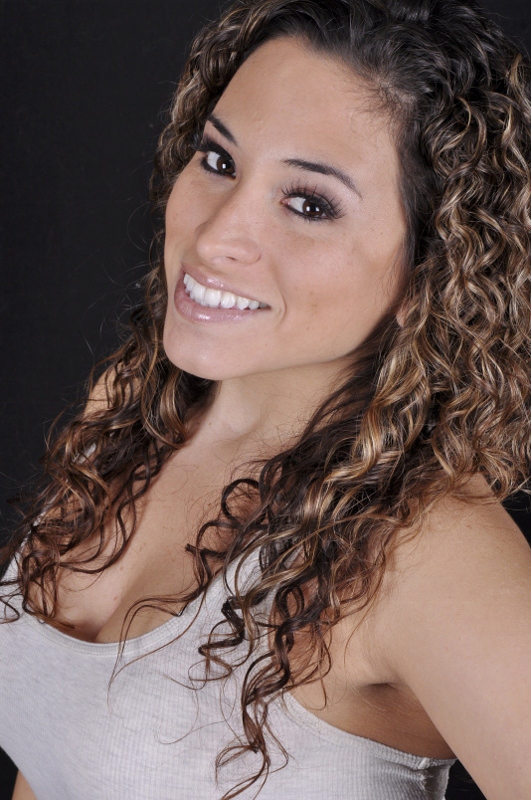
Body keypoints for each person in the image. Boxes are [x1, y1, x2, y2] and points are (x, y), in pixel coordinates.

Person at [2, 0, 531, 798]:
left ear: (431, 272)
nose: (215, 236)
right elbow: (56, 755)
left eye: (308, 204)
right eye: (218, 160)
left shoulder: (423, 549)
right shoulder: (129, 409)